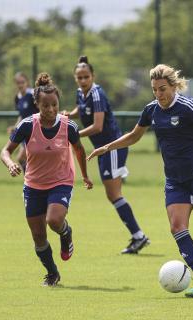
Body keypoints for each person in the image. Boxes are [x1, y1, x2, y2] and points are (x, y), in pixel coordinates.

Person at [87, 64, 193, 298]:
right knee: (177, 227)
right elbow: (134, 136)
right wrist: (107, 147)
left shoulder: (187, 106)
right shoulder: (151, 110)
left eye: (162, 89)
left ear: (173, 86)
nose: (159, 94)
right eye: (154, 90)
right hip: (174, 181)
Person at [0, 72, 93, 286]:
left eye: (54, 105)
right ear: (37, 105)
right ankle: (52, 273)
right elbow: (5, 151)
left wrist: (85, 176)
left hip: (61, 181)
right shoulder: (27, 125)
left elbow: (79, 150)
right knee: (38, 236)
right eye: (45, 106)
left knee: (54, 220)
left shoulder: (68, 126)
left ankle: (65, 231)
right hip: (33, 185)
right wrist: (11, 163)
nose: (51, 110)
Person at [62, 56, 149, 254]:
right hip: (103, 150)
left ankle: (139, 236)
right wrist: (69, 115)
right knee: (113, 195)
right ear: (75, 78)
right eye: (79, 77)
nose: (83, 80)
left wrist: (73, 134)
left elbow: (97, 126)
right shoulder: (81, 93)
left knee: (114, 194)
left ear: (93, 76)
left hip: (111, 147)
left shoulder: (97, 94)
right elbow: (81, 109)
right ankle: (138, 236)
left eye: (86, 77)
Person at [6, 72, 39, 172]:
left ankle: (32, 181)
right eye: (18, 83)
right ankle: (31, 181)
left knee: (23, 157)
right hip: (25, 132)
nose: (20, 85)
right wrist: (15, 127)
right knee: (22, 159)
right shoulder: (17, 98)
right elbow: (22, 115)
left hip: (35, 131)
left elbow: (42, 110)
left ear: (27, 82)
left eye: (22, 82)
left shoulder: (33, 94)